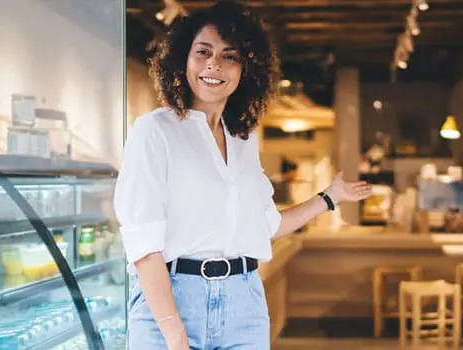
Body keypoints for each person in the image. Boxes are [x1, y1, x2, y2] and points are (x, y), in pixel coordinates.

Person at [113, 2, 373, 349]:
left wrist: (330, 197)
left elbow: (266, 227)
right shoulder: (154, 131)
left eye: (229, 56)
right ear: (183, 60)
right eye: (202, 52)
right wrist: (175, 335)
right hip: (172, 302)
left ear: (244, 70)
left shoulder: (242, 139)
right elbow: (144, 247)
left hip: (243, 303)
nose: (214, 64)